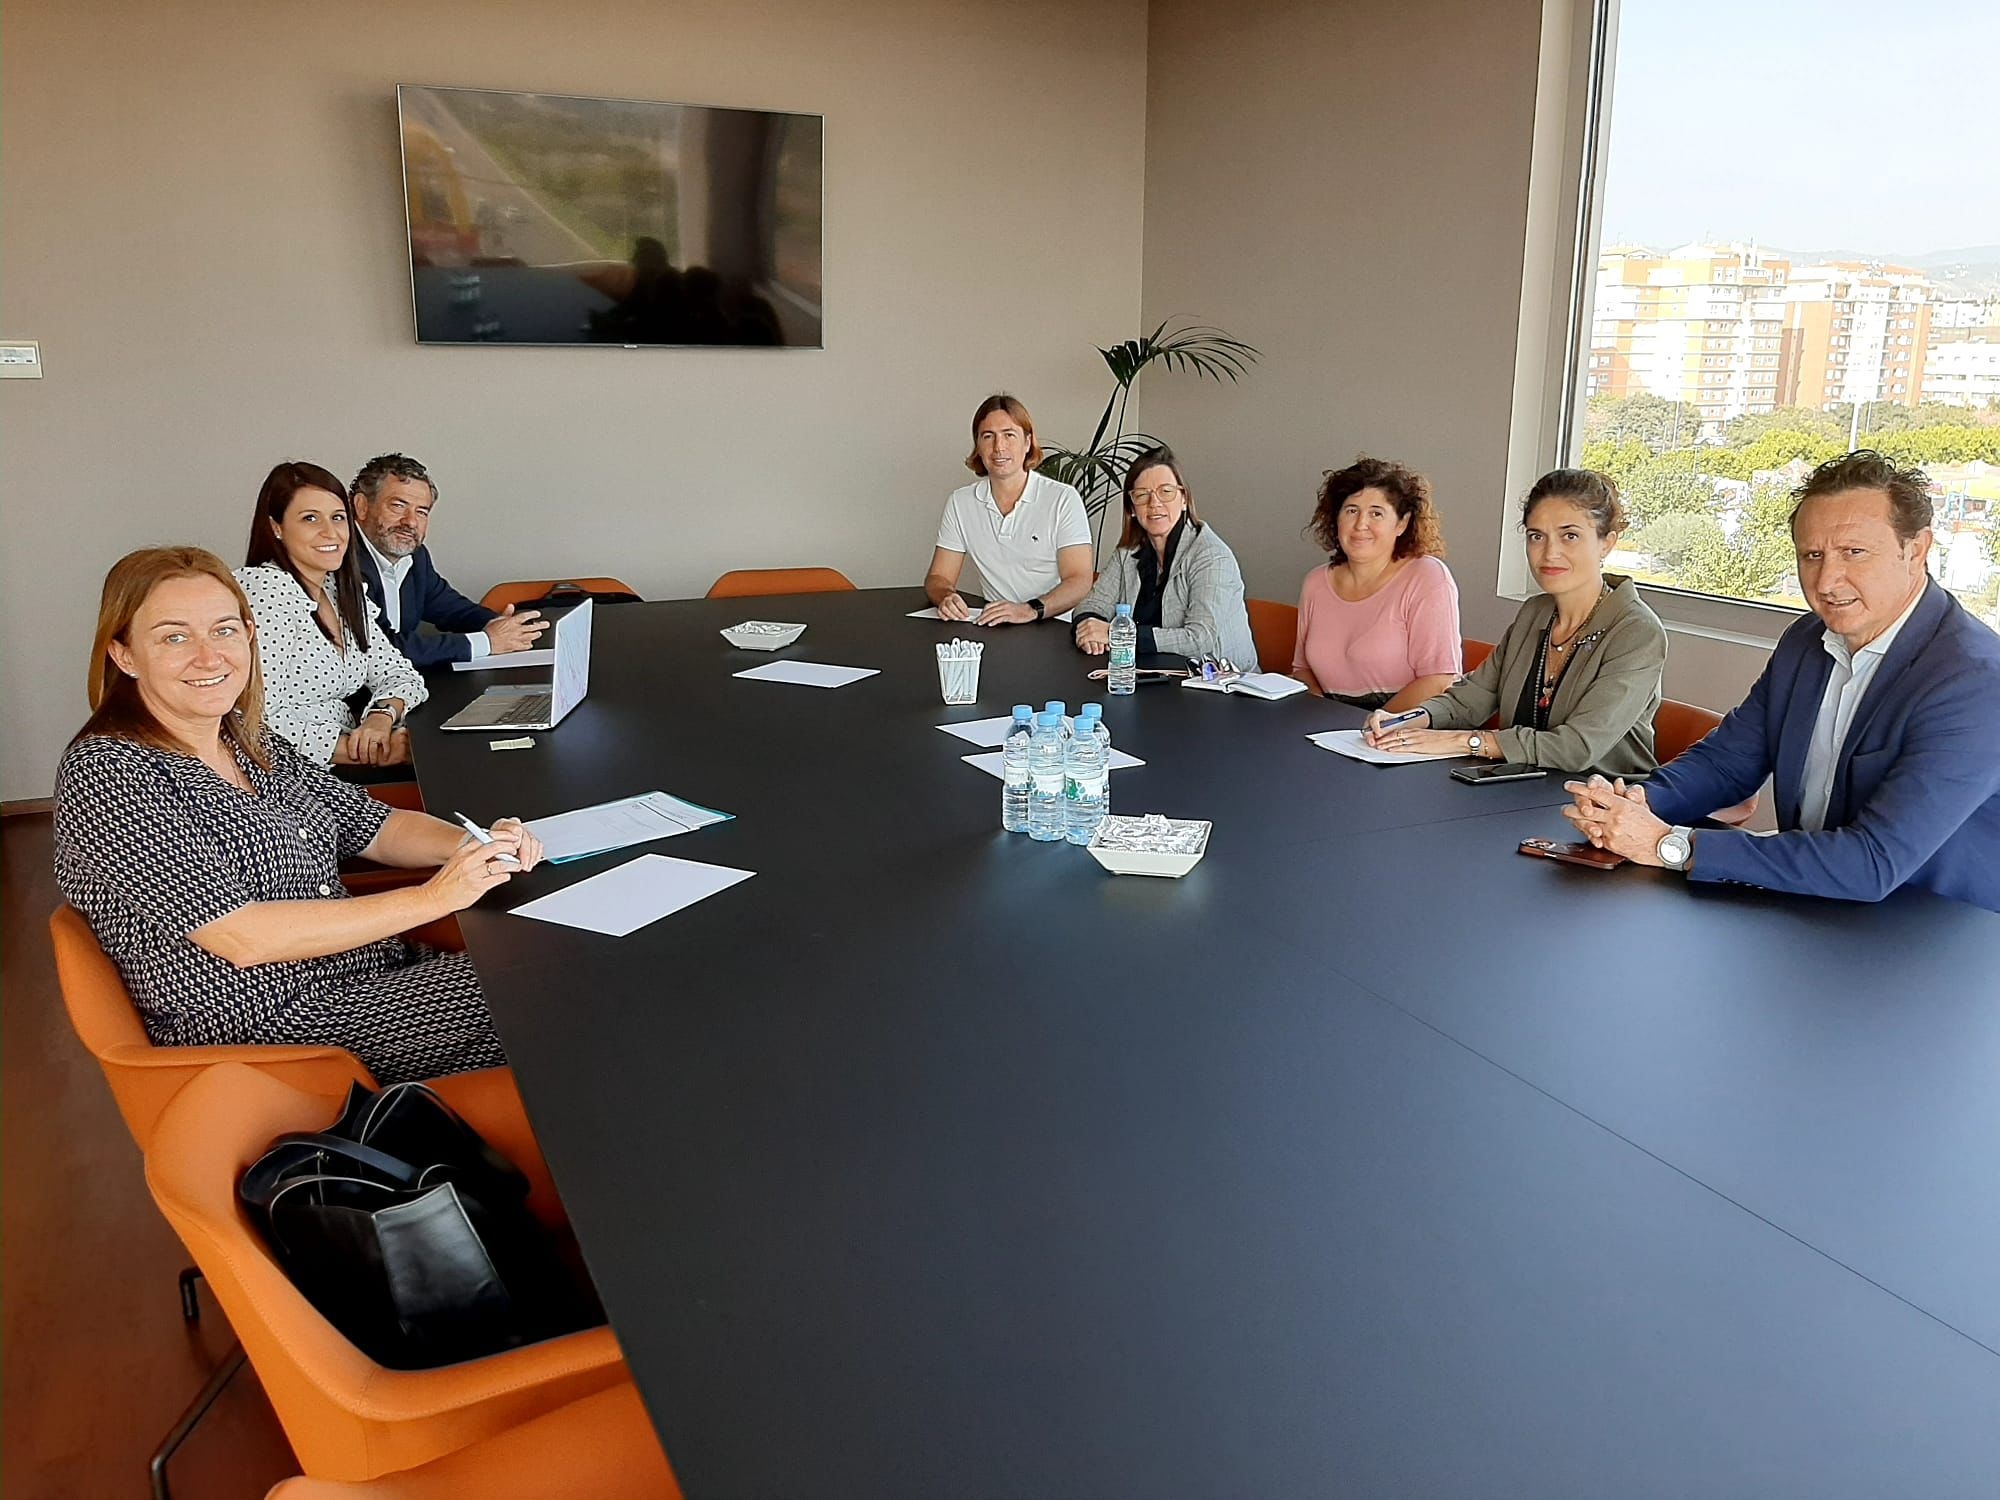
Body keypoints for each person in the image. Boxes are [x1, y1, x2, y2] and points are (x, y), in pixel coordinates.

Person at [53, 547, 541, 1084]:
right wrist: (435, 897)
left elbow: (375, 825)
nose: (209, 657)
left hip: (363, 974)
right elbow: (243, 937)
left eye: (224, 630)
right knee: (551, 989)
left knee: (559, 962)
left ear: (249, 634)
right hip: (267, 1030)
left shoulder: (243, 736)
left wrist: (476, 845)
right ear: (124, 654)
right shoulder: (108, 773)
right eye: (174, 637)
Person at [1565, 450, 2000, 910]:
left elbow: (1872, 862)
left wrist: (1669, 845)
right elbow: (1727, 763)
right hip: (1811, 903)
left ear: (1916, 550)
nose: (1827, 580)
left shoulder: (1976, 682)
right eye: (1812, 555)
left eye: (1854, 553)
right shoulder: (1807, 639)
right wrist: (1633, 805)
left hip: (1934, 928)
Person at [1366, 468, 1665, 774]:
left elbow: (1576, 748)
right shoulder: (1535, 612)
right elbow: (1472, 698)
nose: (1549, 553)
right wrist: (1406, 719)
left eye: (1570, 536)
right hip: (1518, 783)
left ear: (1607, 543)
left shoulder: (1637, 632)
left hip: (1600, 795)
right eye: (1537, 536)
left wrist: (1465, 741)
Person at [237, 461, 428, 767]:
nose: (331, 533)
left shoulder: (338, 590)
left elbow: (401, 674)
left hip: (343, 759)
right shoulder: (266, 590)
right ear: (276, 527)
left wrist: (381, 716)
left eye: (338, 518)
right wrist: (365, 751)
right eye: (310, 518)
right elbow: (257, 720)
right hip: (292, 772)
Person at [1292, 456, 1462, 709]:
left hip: (1407, 719)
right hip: (1330, 718)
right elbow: (1302, 670)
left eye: (1376, 513)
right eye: (1351, 511)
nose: (1361, 524)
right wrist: (1323, 717)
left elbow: (1438, 680)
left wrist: (1371, 725)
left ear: (1402, 523)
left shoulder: (1427, 577)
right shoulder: (1315, 582)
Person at [350, 452, 547, 669]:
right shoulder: (341, 563)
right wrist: (487, 642)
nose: (411, 522)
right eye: (398, 506)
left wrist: (500, 626)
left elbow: (452, 609)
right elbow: (379, 650)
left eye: (422, 512)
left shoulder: (415, 557)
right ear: (362, 506)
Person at [1072, 445, 1257, 666]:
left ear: (1184, 499)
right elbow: (1091, 605)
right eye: (1142, 495)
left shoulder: (1212, 557)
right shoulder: (1128, 552)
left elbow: (1199, 640)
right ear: (1132, 508)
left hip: (1216, 680)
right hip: (1146, 673)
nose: (1154, 503)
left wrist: (1117, 634)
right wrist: (1091, 632)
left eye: (1166, 492)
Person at [926, 394, 1094, 626]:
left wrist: (1029, 610)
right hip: (996, 625)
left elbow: (1080, 580)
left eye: (1009, 435)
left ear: (1027, 442)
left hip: (1055, 625)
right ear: (978, 446)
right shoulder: (960, 502)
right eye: (988, 436)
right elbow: (938, 577)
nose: (999, 447)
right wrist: (946, 597)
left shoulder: (1062, 498)